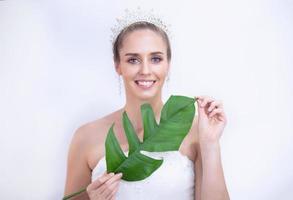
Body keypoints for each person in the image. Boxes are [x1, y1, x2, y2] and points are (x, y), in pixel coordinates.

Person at [64, 16, 230, 200]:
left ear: (168, 64)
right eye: (133, 60)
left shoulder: (196, 131)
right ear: (117, 65)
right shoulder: (85, 137)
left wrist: (211, 144)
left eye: (156, 59)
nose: (145, 70)